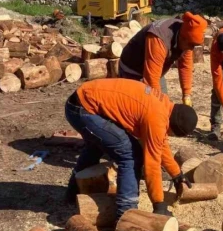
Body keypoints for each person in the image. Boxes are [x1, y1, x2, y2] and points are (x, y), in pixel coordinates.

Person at [65, 78, 198, 219]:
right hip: (83, 109)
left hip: (81, 101)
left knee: (97, 146)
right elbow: (152, 165)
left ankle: (73, 191)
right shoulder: (156, 119)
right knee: (131, 155)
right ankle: (126, 213)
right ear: (173, 129)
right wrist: (159, 204)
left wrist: (177, 175)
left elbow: (160, 144)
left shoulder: (164, 106)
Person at [119, 12, 207, 106]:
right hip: (132, 71)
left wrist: (187, 95)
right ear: (183, 37)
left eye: (194, 46)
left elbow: (185, 66)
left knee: (163, 103)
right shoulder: (159, 38)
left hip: (155, 71)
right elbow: (151, 80)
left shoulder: (187, 37)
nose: (191, 49)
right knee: (141, 108)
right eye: (190, 45)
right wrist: (158, 106)